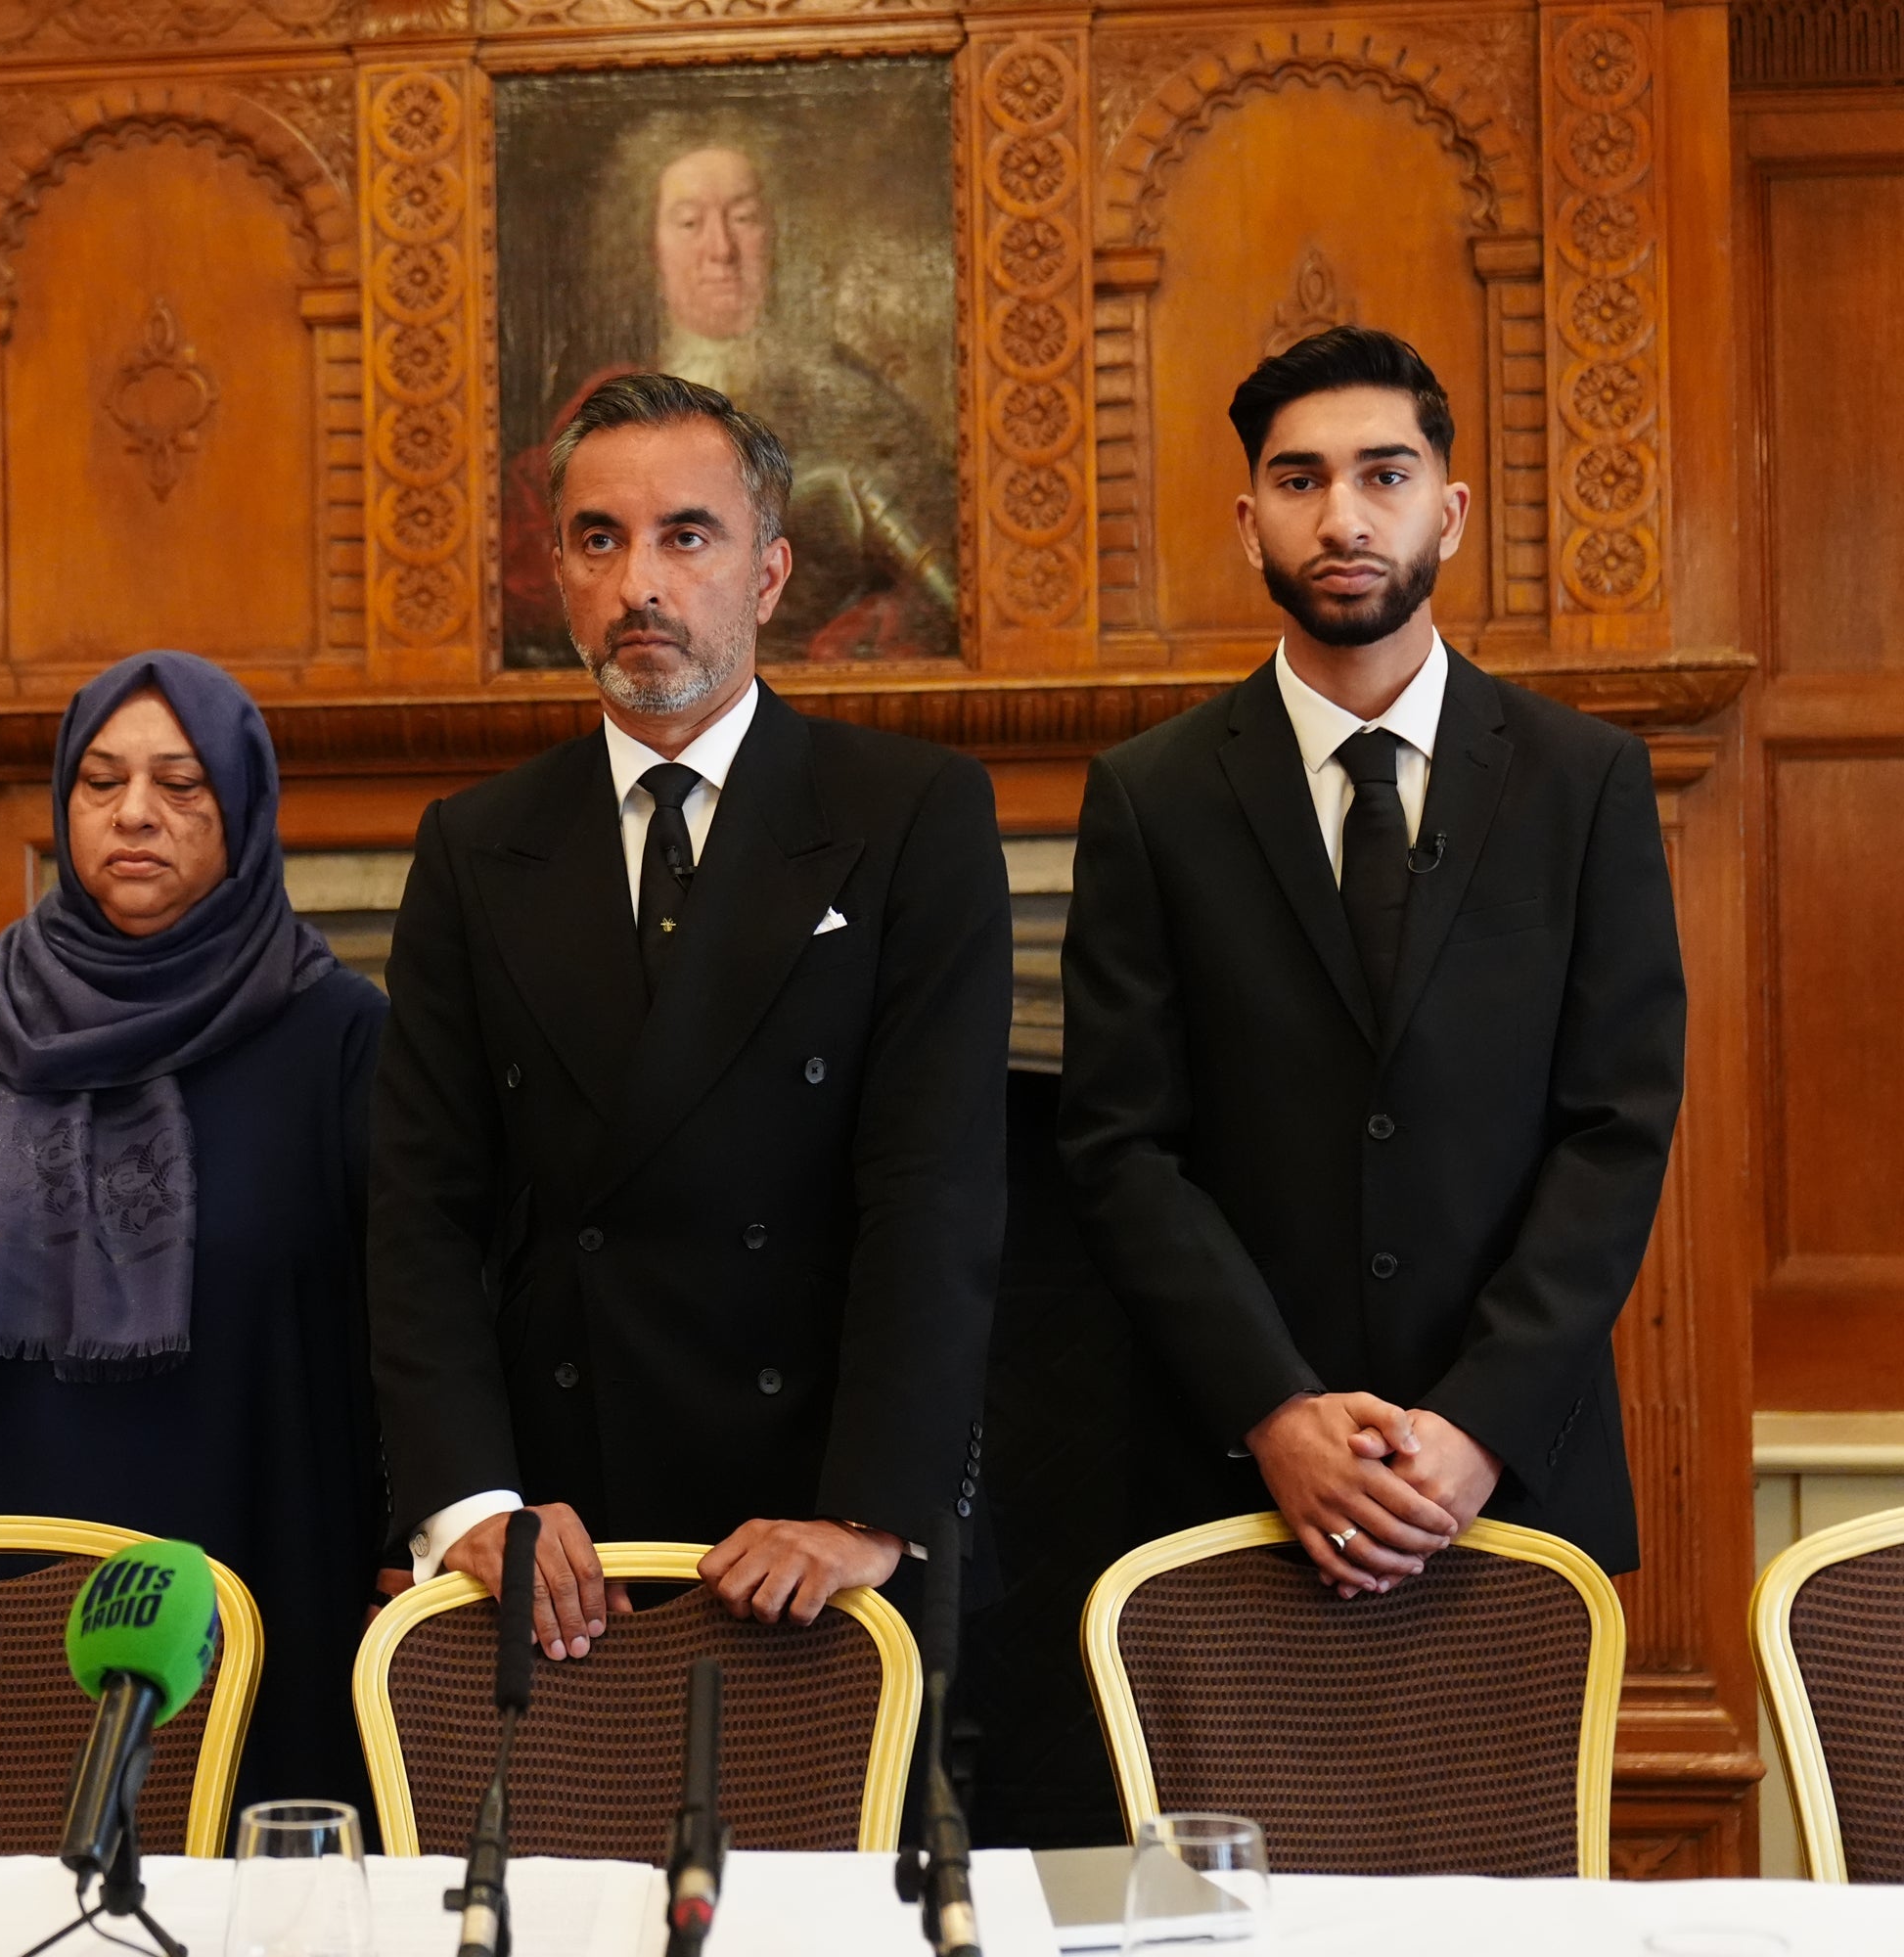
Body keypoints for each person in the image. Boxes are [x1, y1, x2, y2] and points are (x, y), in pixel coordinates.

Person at [373, 372, 1008, 1661]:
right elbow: (420, 1207)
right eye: (599, 539)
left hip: (813, 1541)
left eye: (687, 536)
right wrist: (476, 1506)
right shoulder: (475, 845)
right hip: (561, 1550)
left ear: (769, 575)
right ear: (559, 573)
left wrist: (867, 1514)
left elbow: (932, 1193)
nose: (638, 583)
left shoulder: (911, 815)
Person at [1059, 327, 1685, 1594]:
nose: (1343, 516)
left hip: (1514, 1483)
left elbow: (1616, 1128)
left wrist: (1478, 1424)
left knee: (1512, 1809)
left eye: (1384, 476)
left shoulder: (1585, 783)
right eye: (1300, 482)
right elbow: (1120, 1144)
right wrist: (1277, 1413)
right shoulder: (1149, 796)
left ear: (1449, 514)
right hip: (1231, 1488)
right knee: (1225, 1809)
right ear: (1251, 523)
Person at [0, 651, 389, 1812]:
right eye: (101, 781)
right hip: (1, 1526)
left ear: (245, 807)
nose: (134, 814)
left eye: (181, 784)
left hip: (245, 1513)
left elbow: (393, 1310)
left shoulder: (337, 1033)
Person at [505, 141, 957, 665]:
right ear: (650, 248)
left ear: (778, 238)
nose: (721, 249)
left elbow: (936, 592)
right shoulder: (600, 413)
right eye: (689, 223)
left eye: (743, 217)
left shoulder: (856, 401)